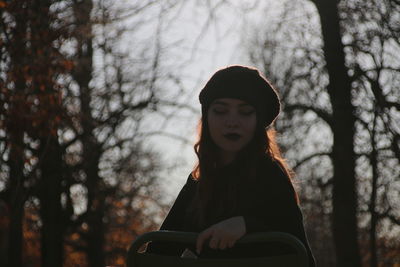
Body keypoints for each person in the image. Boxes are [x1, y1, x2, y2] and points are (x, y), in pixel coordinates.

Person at [146, 65, 316, 266]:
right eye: (220, 111)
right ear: (207, 118)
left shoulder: (271, 176)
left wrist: (247, 226)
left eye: (245, 112)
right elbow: (159, 250)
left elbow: (298, 253)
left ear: (257, 121)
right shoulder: (199, 183)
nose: (232, 121)